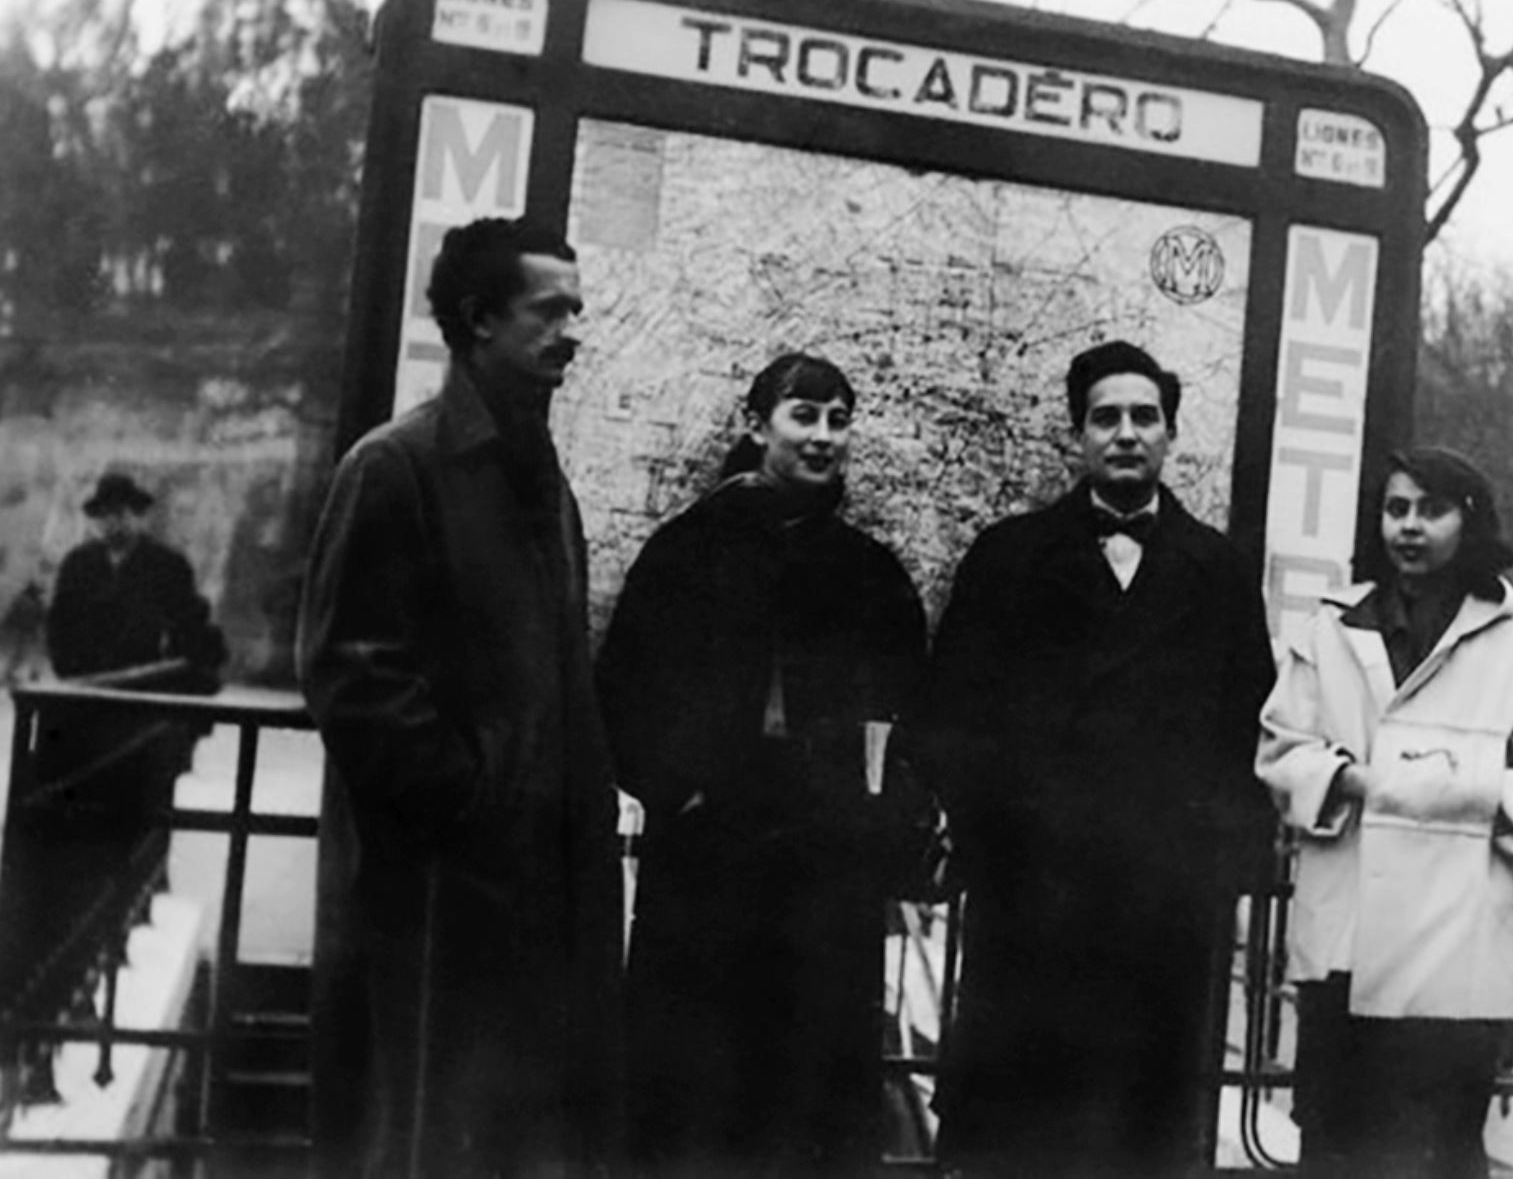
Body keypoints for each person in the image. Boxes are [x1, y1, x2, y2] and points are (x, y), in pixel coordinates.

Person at [298, 217, 622, 1179]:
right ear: (479, 320)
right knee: (424, 1140)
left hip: (541, 898)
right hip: (438, 905)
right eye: (549, 309)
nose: (572, 330)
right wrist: (473, 802)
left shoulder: (540, 478)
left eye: (577, 308)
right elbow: (353, 676)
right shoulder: (395, 468)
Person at [922, 340, 1277, 1179]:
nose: (1125, 434)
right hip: (1033, 912)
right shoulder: (1007, 558)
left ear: (1170, 434)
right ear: (1077, 435)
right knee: (1022, 1139)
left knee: (1139, 1139)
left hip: (1162, 920)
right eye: (1105, 417)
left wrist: (1211, 867)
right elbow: (949, 720)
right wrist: (996, 840)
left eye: (1144, 417)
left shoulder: (1218, 571)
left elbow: (1250, 732)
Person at [595, 352, 932, 1178]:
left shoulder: (873, 576)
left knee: (807, 1110)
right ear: (757, 425)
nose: (822, 436)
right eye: (802, 414)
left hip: (828, 884)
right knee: (694, 1103)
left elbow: (911, 727)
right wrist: (687, 792)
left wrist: (876, 822)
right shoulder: (686, 555)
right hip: (707, 874)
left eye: (838, 418)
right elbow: (623, 695)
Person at [1256, 446, 1513, 1179]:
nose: (1410, 527)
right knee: (1333, 1143)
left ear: (1470, 524)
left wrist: (1481, 791)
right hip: (1345, 943)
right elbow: (1280, 750)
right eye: (1396, 508)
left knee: (1440, 1151)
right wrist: (1351, 780)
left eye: (1433, 510)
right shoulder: (1329, 631)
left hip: (1461, 952)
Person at [48, 471, 226, 690]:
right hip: (85, 677)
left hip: (143, 678)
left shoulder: (167, 564)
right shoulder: (78, 564)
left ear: (138, 515)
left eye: (119, 513)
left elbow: (187, 622)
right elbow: (60, 622)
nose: (111, 522)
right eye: (103, 515)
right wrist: (68, 669)